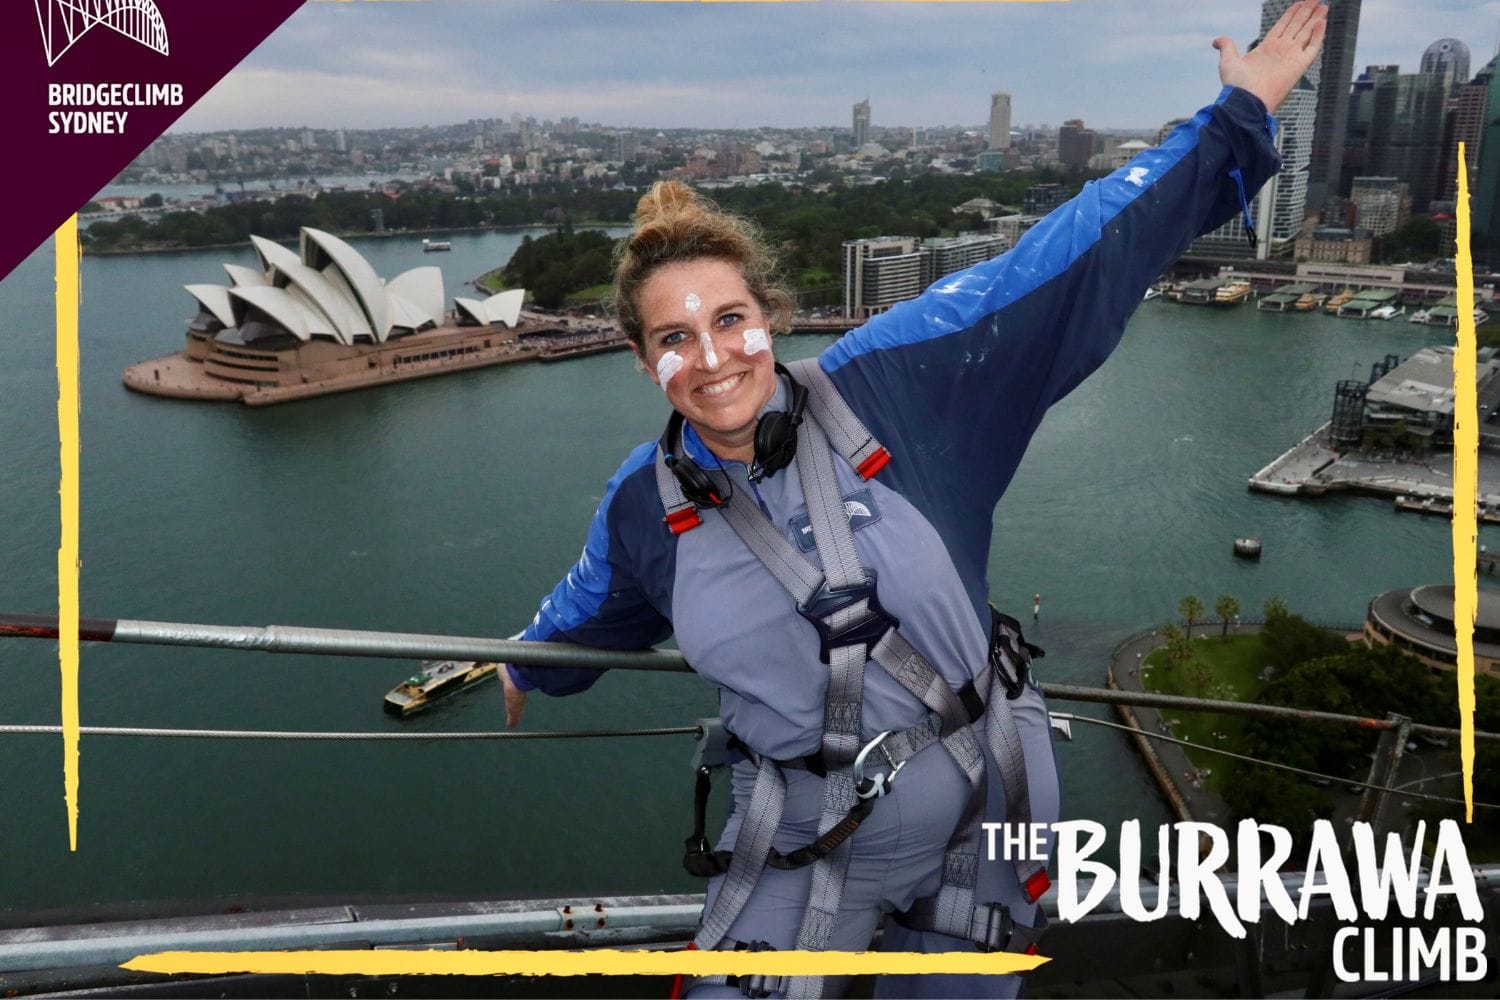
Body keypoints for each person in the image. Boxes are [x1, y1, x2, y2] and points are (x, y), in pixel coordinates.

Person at [502, 4, 1326, 996]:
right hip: (804, 830)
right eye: (675, 338)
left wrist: (1237, 118)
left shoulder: (901, 385)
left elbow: (1073, 255)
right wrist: (526, 665)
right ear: (643, 361)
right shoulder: (646, 506)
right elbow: (588, 611)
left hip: (989, 793)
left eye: (730, 319)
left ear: (771, 318)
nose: (712, 357)